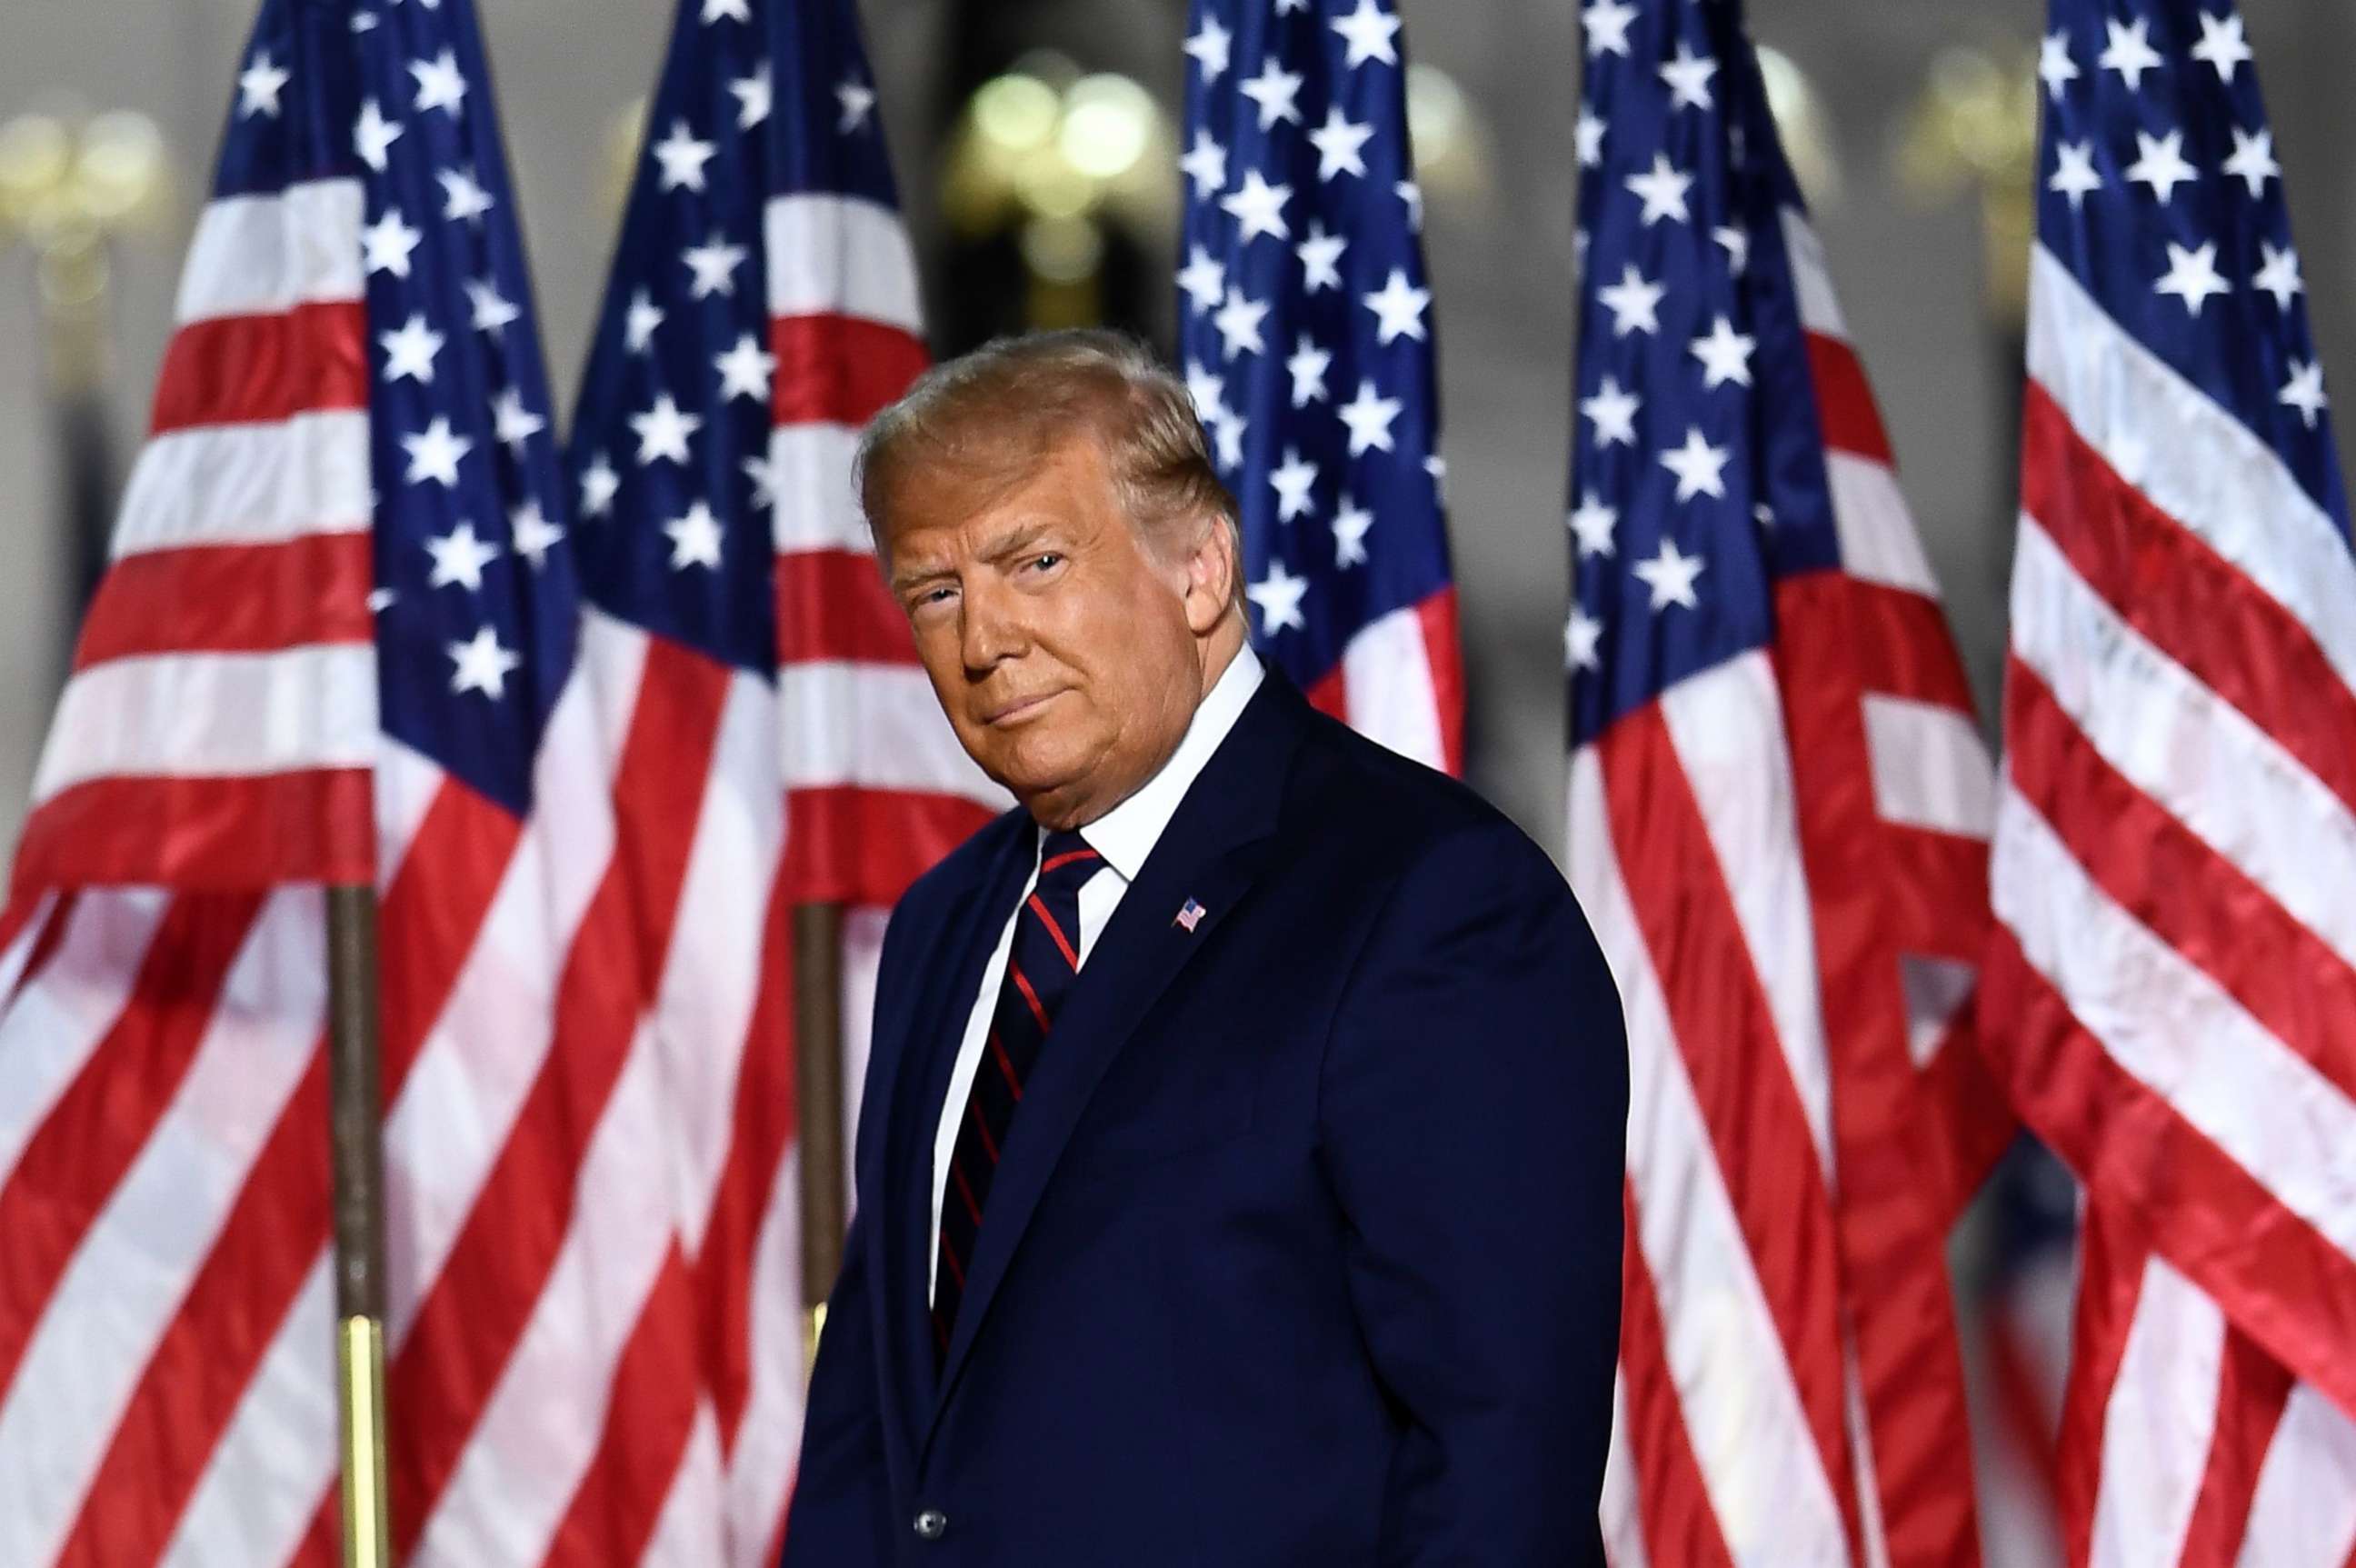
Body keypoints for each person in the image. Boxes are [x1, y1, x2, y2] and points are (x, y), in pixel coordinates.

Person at [783, 331, 1627, 1565]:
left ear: (1198, 572)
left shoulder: (1429, 900)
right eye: (936, 589)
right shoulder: (944, 924)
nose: (984, 640)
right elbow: (877, 1422)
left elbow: (1501, 1459)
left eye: (1037, 559)